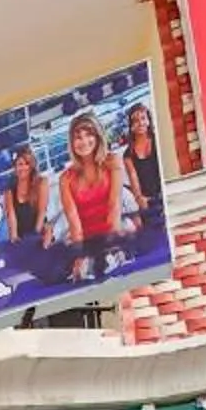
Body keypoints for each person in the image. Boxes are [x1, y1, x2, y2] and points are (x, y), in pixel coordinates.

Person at [54, 108, 144, 283]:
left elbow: (114, 207)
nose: (84, 141)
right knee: (75, 270)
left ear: (98, 137)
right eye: (78, 137)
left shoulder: (113, 161)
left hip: (115, 227)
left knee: (116, 253)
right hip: (86, 237)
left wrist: (111, 243)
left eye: (89, 135)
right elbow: (74, 222)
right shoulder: (65, 178)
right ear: (72, 143)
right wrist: (80, 254)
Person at [123, 102, 166, 227]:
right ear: (131, 126)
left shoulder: (158, 140)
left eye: (143, 118)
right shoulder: (128, 154)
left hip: (163, 193)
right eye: (136, 121)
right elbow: (133, 178)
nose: (140, 123)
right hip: (148, 201)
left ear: (148, 121)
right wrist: (140, 198)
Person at [0, 147, 48, 242]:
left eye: (27, 164)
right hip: (21, 237)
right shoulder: (9, 189)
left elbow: (42, 211)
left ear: (32, 165)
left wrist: (35, 235)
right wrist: (14, 237)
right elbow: (11, 216)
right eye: (20, 164)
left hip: (40, 232)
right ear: (15, 167)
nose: (23, 168)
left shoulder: (42, 182)